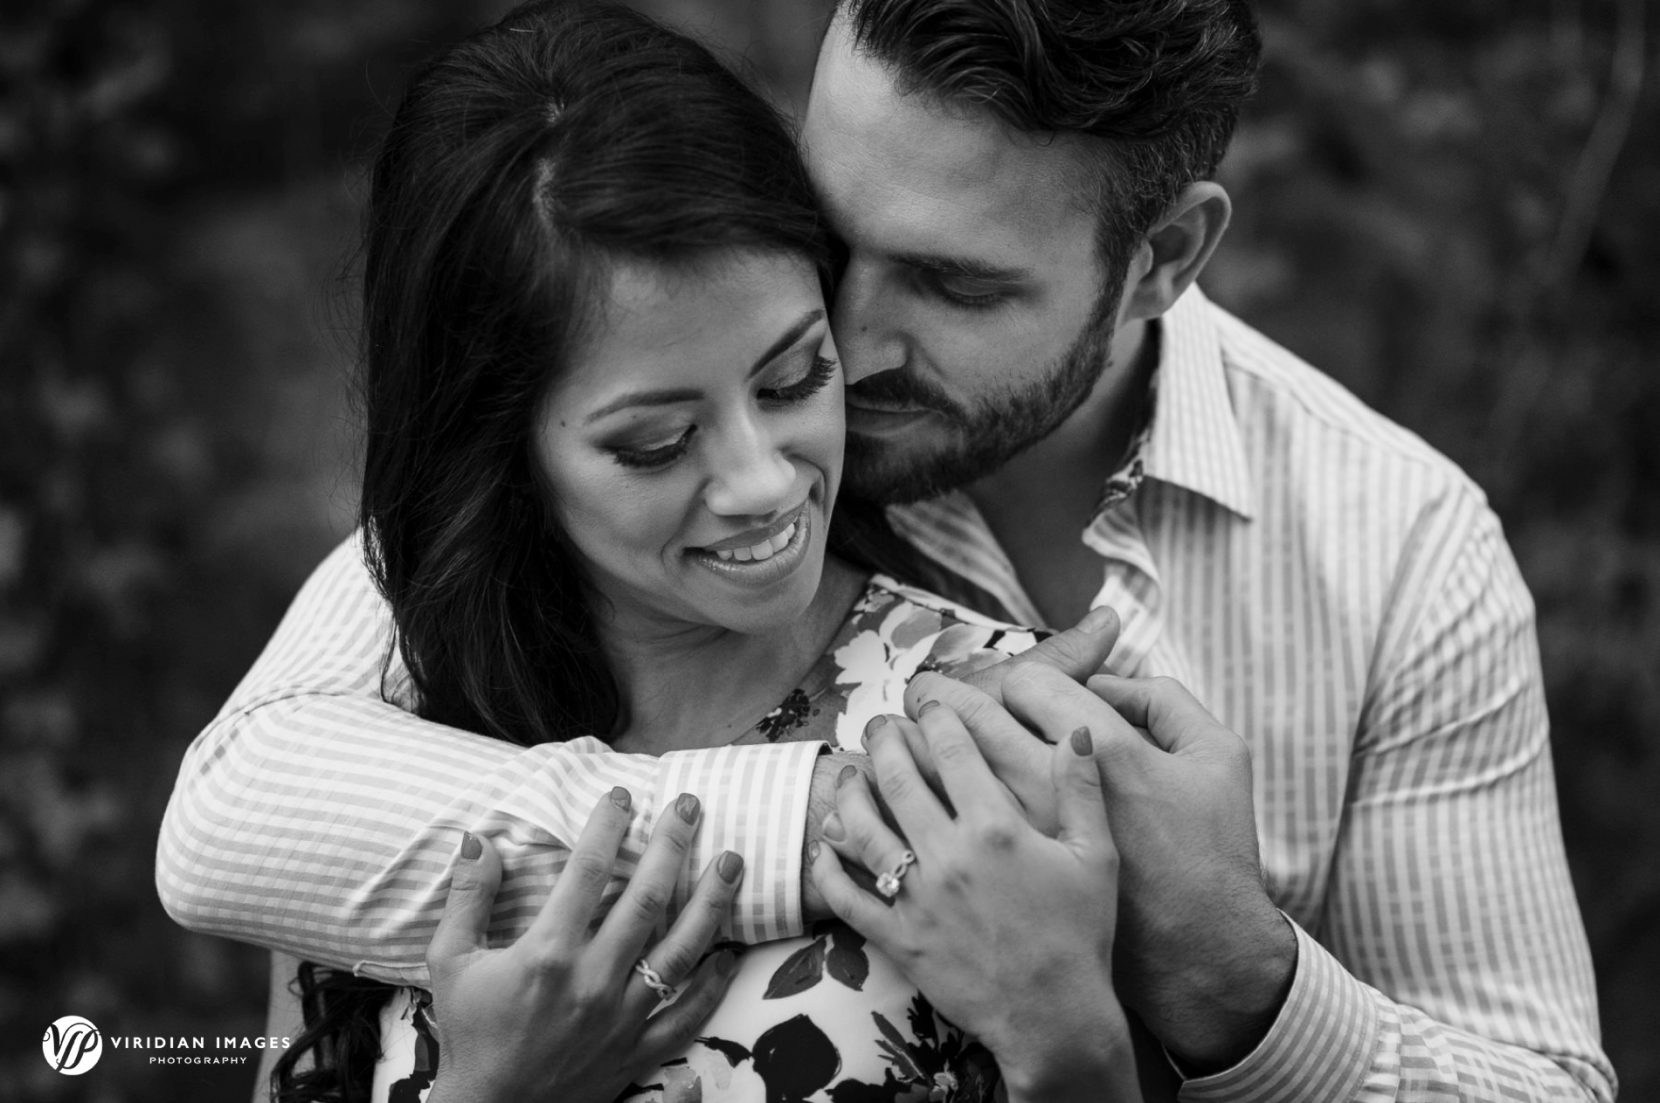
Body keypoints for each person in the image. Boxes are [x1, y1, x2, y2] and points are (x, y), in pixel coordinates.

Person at [158, 0, 1615, 1099]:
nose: (839, 343)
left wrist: (1238, 976)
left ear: (1164, 257)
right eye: (827, 225)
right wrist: (824, 815)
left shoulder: (1397, 548)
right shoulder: (665, 411)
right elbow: (242, 805)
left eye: (951, 284)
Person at [195, 5, 1143, 1100]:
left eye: (793, 379)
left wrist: (1076, 1048)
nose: (761, 481)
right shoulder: (385, 745)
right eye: (654, 442)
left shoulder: (998, 741)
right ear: (499, 451)